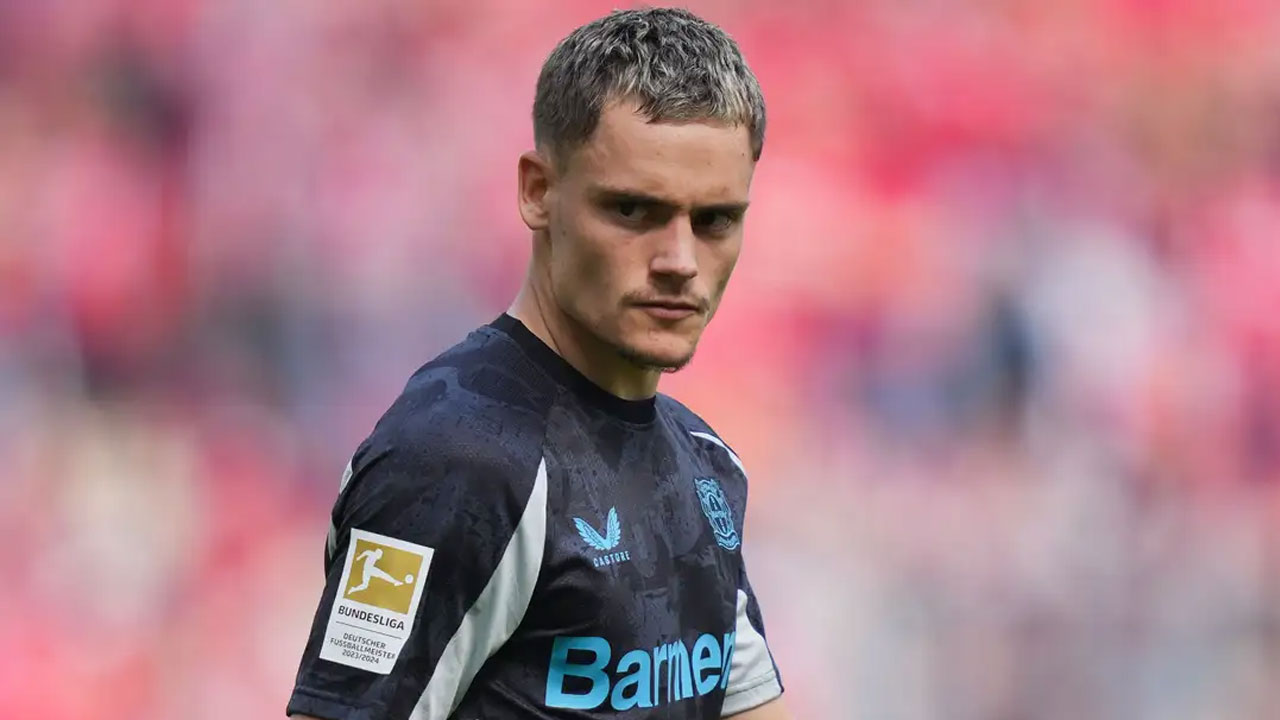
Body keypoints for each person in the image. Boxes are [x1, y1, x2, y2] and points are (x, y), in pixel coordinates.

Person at [288, 8, 789, 719]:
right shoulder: (456, 462)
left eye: (714, 220)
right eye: (632, 210)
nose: (680, 261)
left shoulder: (705, 463)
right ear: (537, 191)